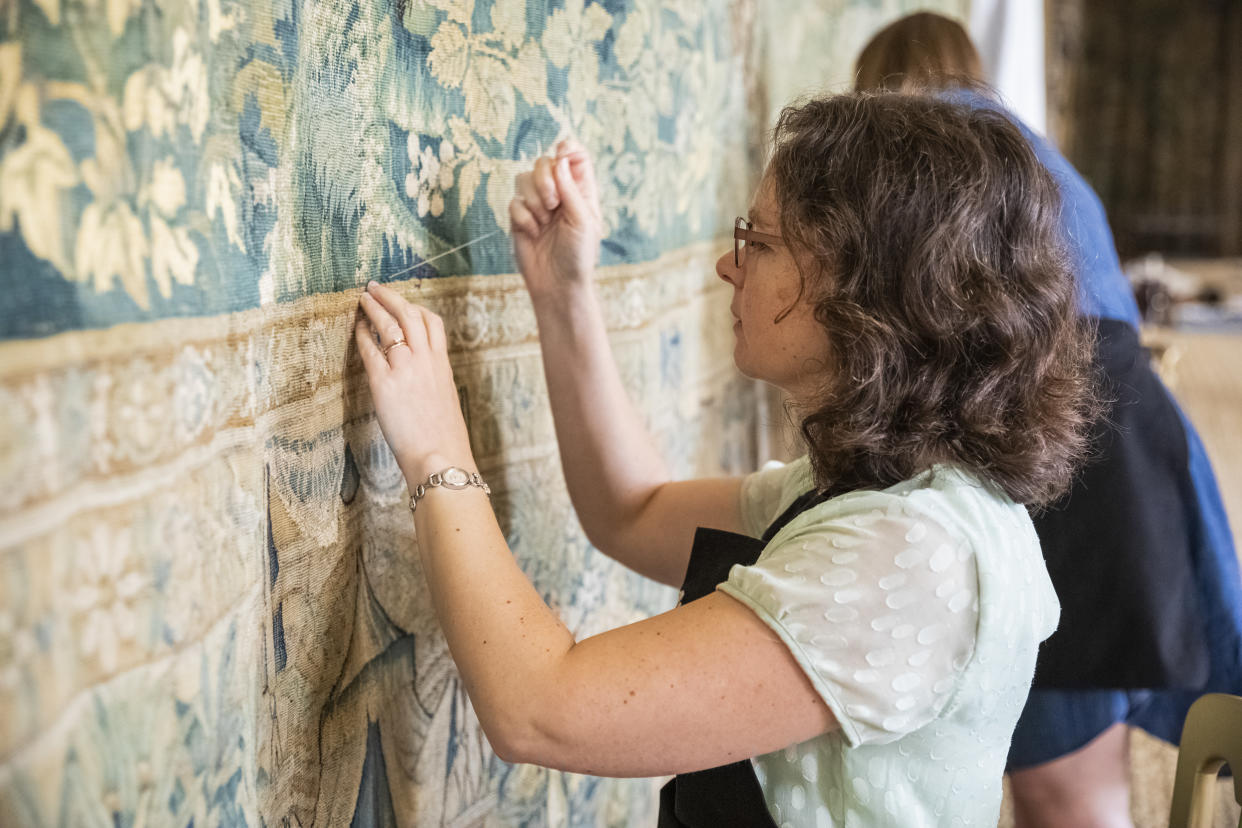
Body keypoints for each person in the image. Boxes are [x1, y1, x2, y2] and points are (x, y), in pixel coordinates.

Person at [353, 92, 1099, 826]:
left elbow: (537, 709)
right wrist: (563, 293)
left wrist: (436, 452)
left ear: (867, 289)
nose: (727, 265)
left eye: (762, 241)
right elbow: (631, 509)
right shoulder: (891, 491)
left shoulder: (910, 558)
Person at [854, 12, 1242, 828]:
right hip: (1115, 445)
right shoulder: (1028, 149)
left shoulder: (942, 152)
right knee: (1072, 780)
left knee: (1064, 791)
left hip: (1076, 464)